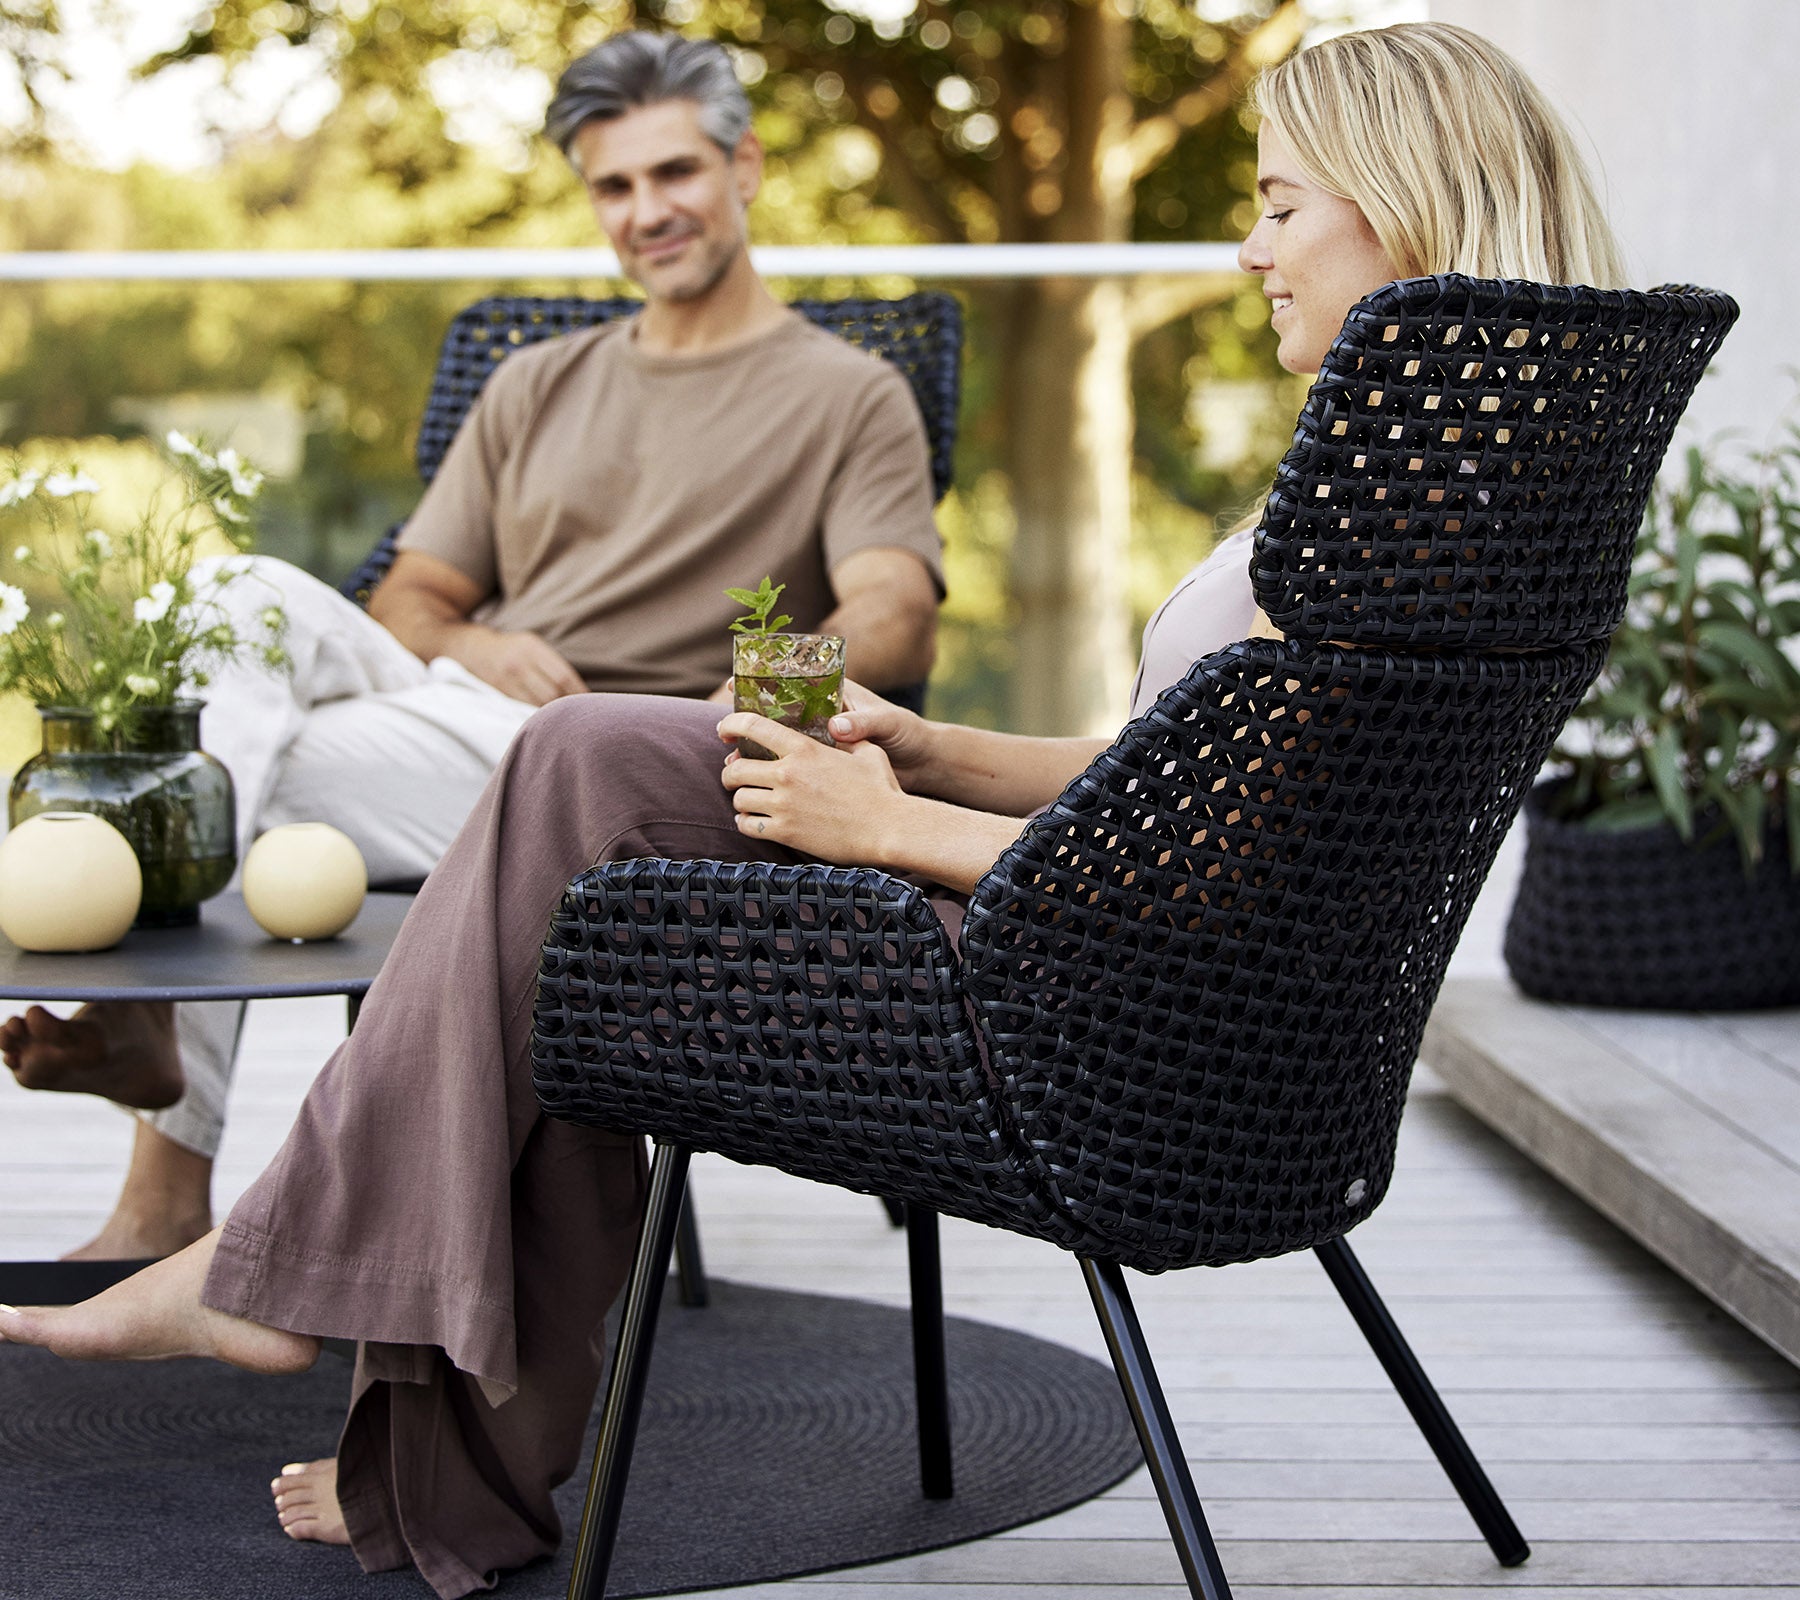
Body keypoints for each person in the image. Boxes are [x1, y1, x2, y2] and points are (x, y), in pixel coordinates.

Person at [0, 22, 1628, 1599]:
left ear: (1407, 198)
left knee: (569, 873)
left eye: (1277, 204)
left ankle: (294, 1280)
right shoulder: (1456, 472)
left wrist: (893, 828)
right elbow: (1182, 778)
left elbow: (1226, 872)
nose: (1248, 246)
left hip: (1078, 1010)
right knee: (568, 801)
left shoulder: (1397, 499)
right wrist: (925, 750)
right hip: (1127, 970)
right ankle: (346, 1324)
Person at [0, 31, 943, 1265]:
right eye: (614, 186)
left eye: (675, 174)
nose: (648, 212)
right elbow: (411, 598)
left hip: (623, 765)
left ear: (746, 167)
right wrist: (479, 639)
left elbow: (895, 608)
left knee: (238, 771)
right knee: (238, 603)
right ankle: (179, 1139)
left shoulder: (851, 392)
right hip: (462, 719)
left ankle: (163, 1138)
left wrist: (765, 691)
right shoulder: (534, 381)